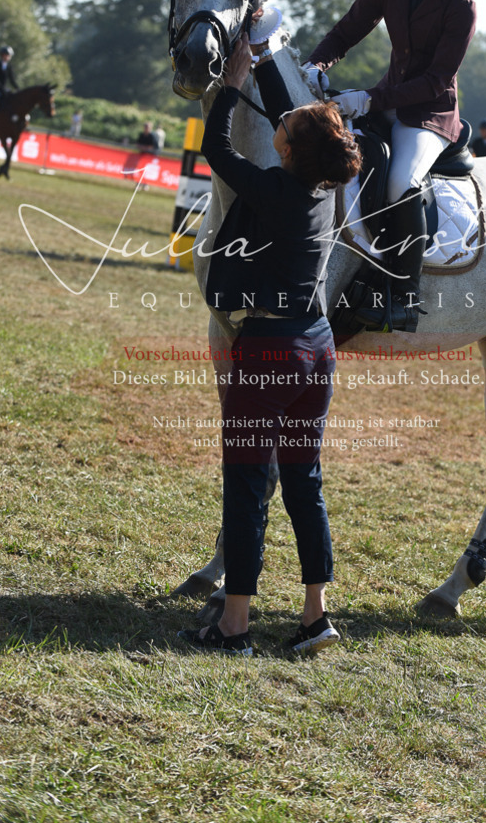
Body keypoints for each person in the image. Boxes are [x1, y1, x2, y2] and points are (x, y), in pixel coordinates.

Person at [179, 33, 361, 656]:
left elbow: (215, 147)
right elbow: (306, 131)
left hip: (270, 351)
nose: (278, 125)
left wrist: (231, 83)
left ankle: (233, 626)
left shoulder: (275, 189)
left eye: (286, 126)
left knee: (248, 478)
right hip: (318, 346)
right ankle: (316, 615)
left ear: (288, 150)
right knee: (303, 478)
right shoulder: (321, 189)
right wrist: (262, 49)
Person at [305, 0, 478, 332]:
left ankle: (404, 293)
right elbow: (346, 31)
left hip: (430, 114)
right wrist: (315, 64)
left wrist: (368, 99)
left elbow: (437, 80)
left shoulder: (461, 7)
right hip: (387, 99)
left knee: (402, 181)